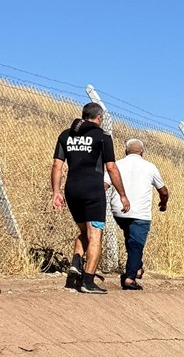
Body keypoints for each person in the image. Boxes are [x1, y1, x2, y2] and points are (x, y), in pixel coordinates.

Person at [51, 102, 129, 294]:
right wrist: (122, 195)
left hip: (72, 190)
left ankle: (76, 265)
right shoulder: (103, 137)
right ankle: (88, 281)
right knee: (95, 235)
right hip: (93, 191)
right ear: (99, 118)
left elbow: (56, 165)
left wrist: (56, 192)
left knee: (85, 232)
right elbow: (111, 168)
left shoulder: (65, 135)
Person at [106, 139, 169, 290]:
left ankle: (137, 267)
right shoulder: (150, 167)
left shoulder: (116, 164)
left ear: (126, 151)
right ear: (142, 152)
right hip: (140, 212)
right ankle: (130, 278)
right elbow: (163, 190)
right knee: (136, 244)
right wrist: (163, 202)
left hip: (119, 210)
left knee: (130, 237)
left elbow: (105, 184)